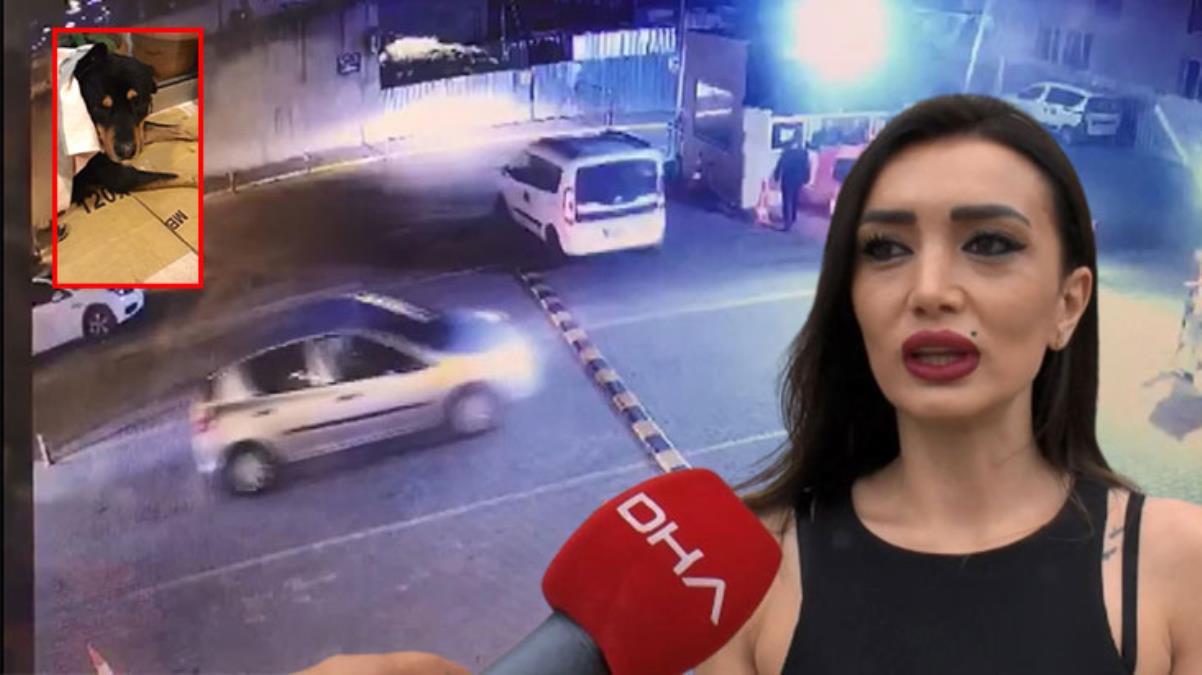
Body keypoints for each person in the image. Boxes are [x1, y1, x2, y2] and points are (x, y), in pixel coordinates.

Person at [294, 95, 1202, 674]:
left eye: (990, 243)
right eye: (885, 248)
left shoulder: (1178, 565)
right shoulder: (742, 571)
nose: (929, 288)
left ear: (1069, 303)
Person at [772, 135, 812, 232]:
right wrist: (806, 178)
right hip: (798, 179)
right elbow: (807, 166)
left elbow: (781, 164)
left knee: (787, 199)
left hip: (788, 178)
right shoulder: (803, 153)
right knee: (795, 198)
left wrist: (776, 175)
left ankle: (787, 222)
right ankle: (793, 217)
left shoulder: (787, 152)